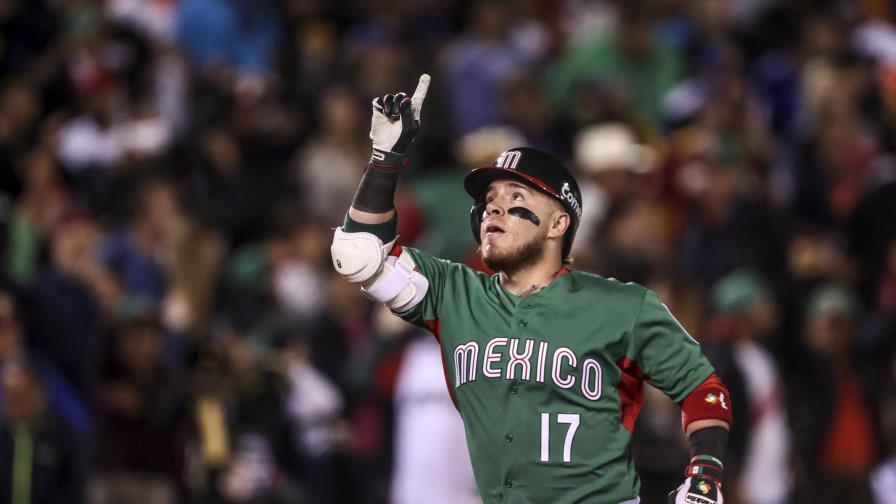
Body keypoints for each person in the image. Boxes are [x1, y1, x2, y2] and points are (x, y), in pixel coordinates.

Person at [329, 75, 733, 504]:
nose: (494, 207)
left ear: (559, 224)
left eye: (516, 196)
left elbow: (702, 388)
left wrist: (705, 475)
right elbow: (360, 253)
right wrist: (384, 159)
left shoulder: (622, 305)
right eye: (489, 200)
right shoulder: (455, 294)